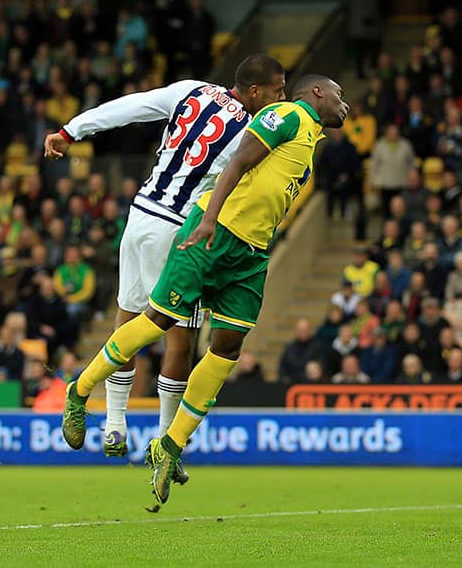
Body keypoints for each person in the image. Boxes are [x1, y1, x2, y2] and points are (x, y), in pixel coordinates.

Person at [60, 74, 348, 505]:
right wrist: (210, 217)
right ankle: (80, 390)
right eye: (340, 96)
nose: (346, 105)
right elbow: (237, 163)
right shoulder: (286, 115)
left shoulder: (310, 138)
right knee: (160, 320)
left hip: (251, 253)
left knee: (227, 348)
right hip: (214, 233)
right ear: (319, 93)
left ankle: (169, 445)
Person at [45, 54, 286, 462]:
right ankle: (167, 443)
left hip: (139, 216)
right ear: (255, 91)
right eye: (278, 90)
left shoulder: (189, 90)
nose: (282, 98)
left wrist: (72, 131)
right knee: (179, 335)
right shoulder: (254, 130)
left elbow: (129, 107)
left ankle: (114, 426)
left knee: (128, 317)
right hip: (180, 229)